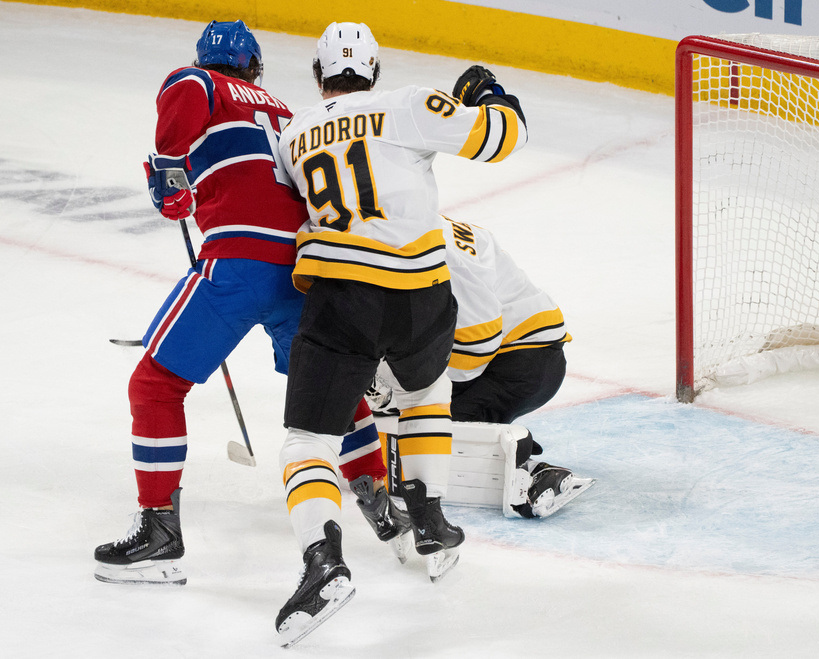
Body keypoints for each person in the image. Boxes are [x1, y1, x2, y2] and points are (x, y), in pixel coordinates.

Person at [92, 20, 387, 588]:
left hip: (238, 264)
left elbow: (176, 141)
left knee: (154, 386)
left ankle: (159, 531)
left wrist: (170, 182)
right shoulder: (284, 111)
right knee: (329, 386)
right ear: (254, 67)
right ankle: (379, 498)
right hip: (304, 269)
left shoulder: (196, 81)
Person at [272, 21, 529, 646]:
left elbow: (283, 213)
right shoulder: (407, 103)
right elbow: (502, 139)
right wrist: (490, 93)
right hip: (421, 296)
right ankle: (432, 521)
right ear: (375, 71)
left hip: (343, 295)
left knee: (307, 441)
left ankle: (322, 562)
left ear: (317, 75)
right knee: (425, 394)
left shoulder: (293, 134)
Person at [365, 216, 594, 519]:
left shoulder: (433, 252)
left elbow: (477, 343)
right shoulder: (413, 225)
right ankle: (495, 438)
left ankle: (528, 473)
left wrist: (405, 392)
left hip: (525, 359)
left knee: (425, 428)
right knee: (414, 418)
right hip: (518, 353)